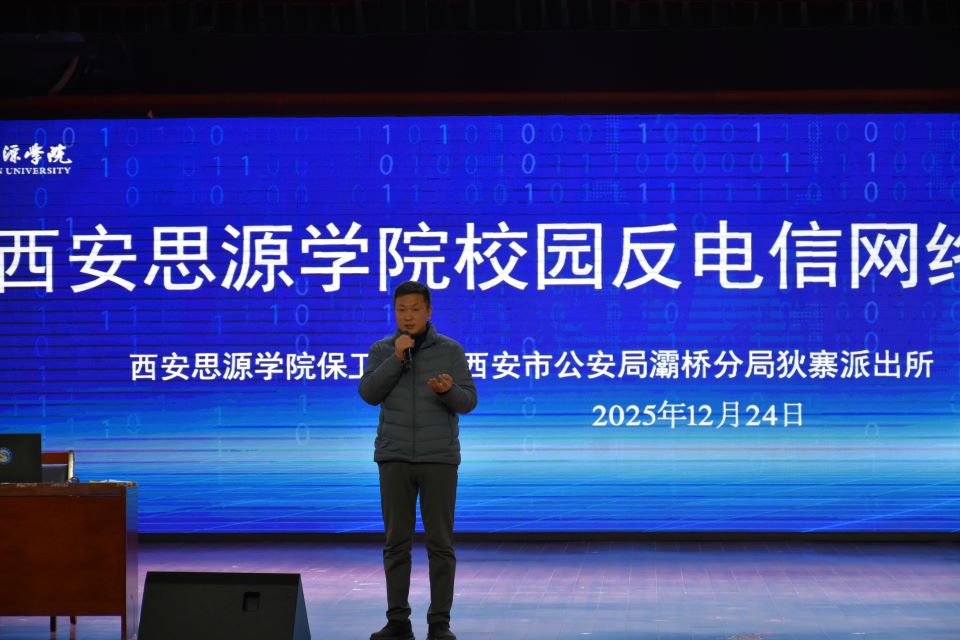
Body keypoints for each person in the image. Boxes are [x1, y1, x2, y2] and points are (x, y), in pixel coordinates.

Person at [359, 280, 478, 640]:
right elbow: (368, 393)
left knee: (440, 544)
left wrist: (448, 391)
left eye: (414, 309)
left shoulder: (450, 350)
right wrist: (397, 359)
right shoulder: (383, 350)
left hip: (438, 458)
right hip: (394, 456)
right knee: (396, 543)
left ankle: (439, 623)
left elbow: (469, 401)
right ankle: (398, 621)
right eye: (401, 310)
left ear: (428, 311)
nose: (407, 316)